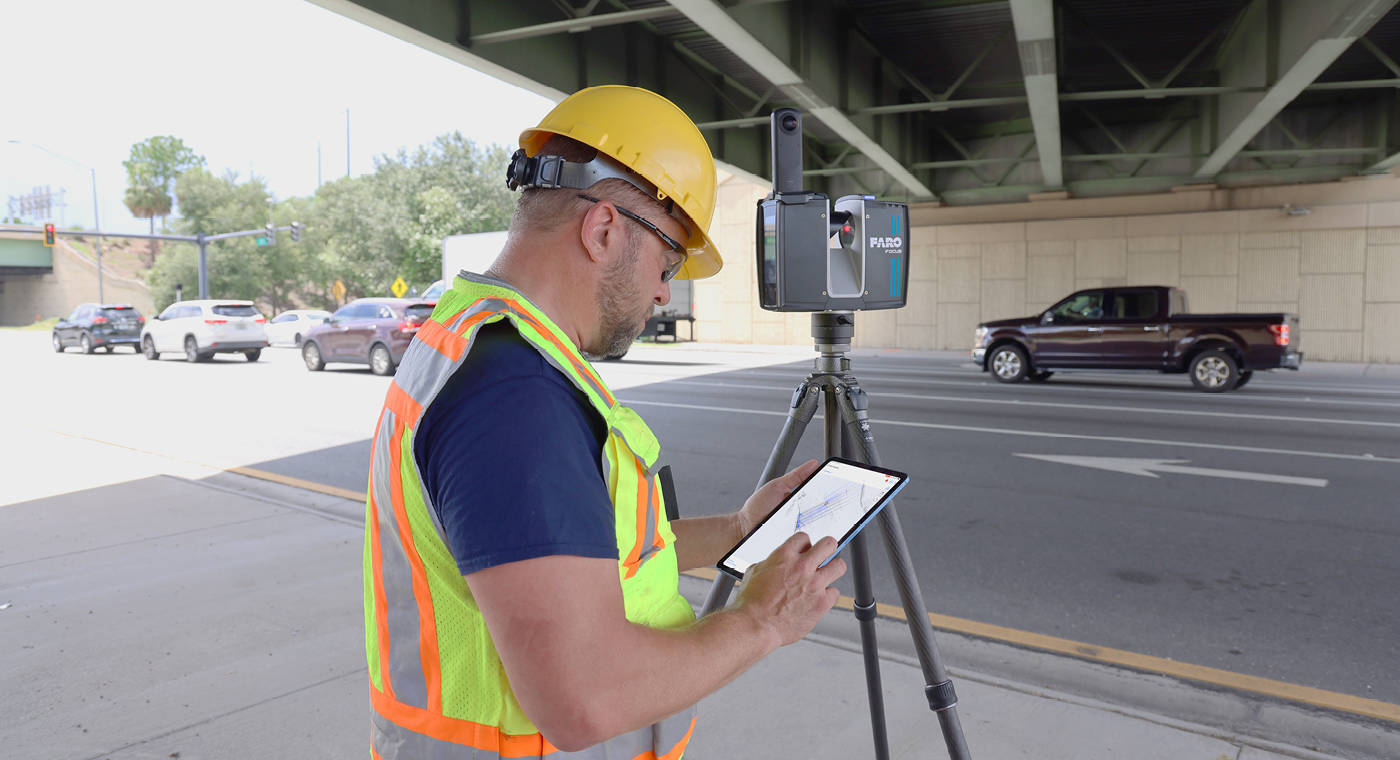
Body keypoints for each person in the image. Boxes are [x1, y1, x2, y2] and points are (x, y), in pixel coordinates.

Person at [363, 85, 846, 759]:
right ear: (604, 230)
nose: (663, 291)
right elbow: (584, 699)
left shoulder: (477, 342)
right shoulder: (515, 398)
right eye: (667, 260)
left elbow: (587, 561)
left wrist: (738, 531)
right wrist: (763, 621)